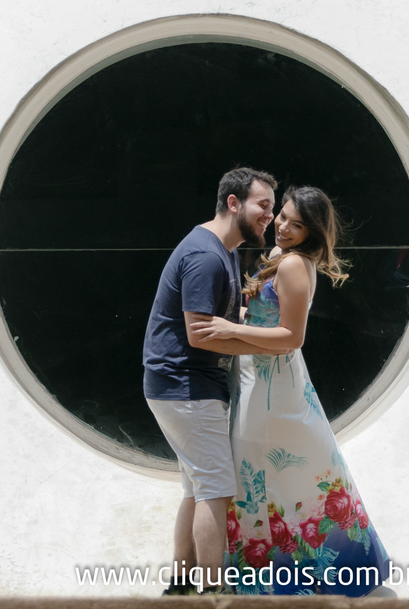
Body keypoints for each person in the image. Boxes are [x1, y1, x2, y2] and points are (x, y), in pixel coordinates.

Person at [189, 186, 391, 596]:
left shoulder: (294, 265)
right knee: (278, 479)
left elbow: (290, 336)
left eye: (296, 225)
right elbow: (268, 317)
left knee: (273, 479)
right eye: (282, 216)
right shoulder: (280, 258)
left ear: (311, 232)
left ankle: (284, 581)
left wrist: (230, 328)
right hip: (260, 382)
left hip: (275, 391)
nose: (282, 226)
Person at [143, 167, 284, 596]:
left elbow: (219, 322)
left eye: (273, 208)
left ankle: (182, 586)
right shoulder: (206, 255)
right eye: (263, 205)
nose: (270, 216)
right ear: (233, 202)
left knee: (198, 487)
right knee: (217, 491)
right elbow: (200, 332)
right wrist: (268, 346)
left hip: (180, 386)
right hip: (187, 387)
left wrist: (246, 318)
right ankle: (214, 592)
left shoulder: (220, 249)